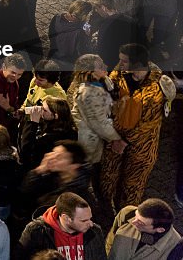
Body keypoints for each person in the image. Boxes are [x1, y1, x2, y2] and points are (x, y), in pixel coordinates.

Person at [100, 44, 176, 211]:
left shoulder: (156, 88)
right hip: (115, 137)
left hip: (141, 146)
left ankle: (126, 216)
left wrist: (124, 141)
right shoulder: (118, 75)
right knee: (108, 175)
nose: (120, 64)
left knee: (133, 183)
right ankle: (105, 207)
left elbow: (148, 124)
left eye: (124, 61)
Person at [17, 192, 107, 260]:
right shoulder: (37, 232)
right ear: (66, 218)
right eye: (84, 220)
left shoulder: (95, 231)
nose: (91, 224)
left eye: (90, 218)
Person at [105, 198, 182, 260]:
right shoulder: (128, 213)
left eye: (141, 223)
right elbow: (112, 237)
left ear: (160, 230)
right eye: (136, 216)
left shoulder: (175, 248)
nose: (133, 222)